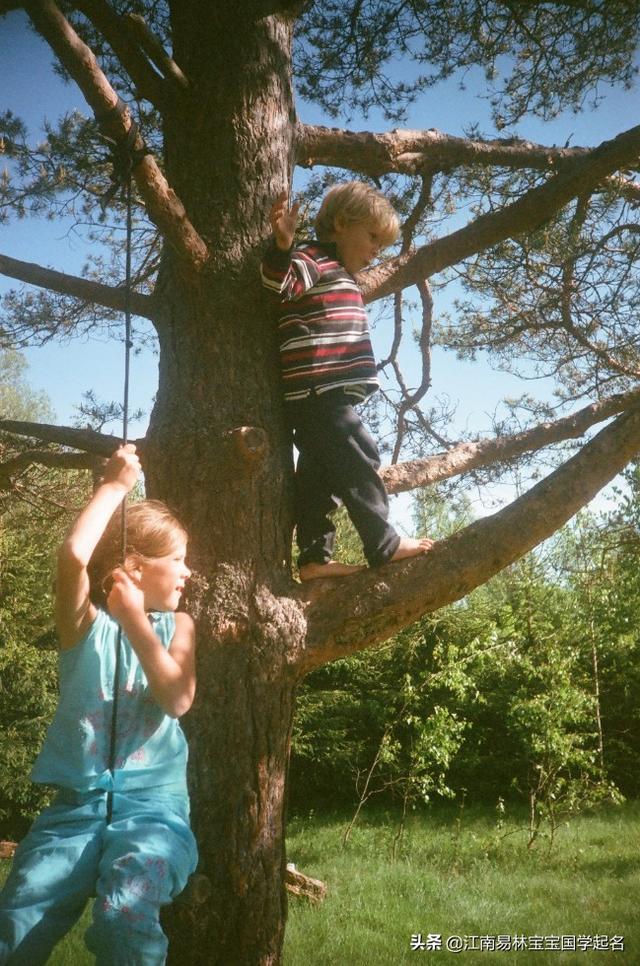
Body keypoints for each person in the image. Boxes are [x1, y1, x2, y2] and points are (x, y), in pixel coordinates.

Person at [0, 445, 197, 966]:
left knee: (122, 919)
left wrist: (135, 619)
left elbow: (177, 698)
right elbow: (72, 558)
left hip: (154, 813)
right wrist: (114, 487)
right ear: (136, 565)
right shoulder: (84, 626)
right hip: (73, 810)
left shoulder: (179, 627)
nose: (188, 572)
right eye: (177, 559)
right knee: (14, 928)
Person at [261, 181, 433, 580]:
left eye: (383, 245)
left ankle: (314, 560)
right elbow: (278, 285)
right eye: (372, 237)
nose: (376, 250)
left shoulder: (339, 272)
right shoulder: (314, 257)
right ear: (340, 223)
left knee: (319, 479)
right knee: (361, 456)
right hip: (319, 390)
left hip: (319, 394)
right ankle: (383, 543)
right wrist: (283, 245)